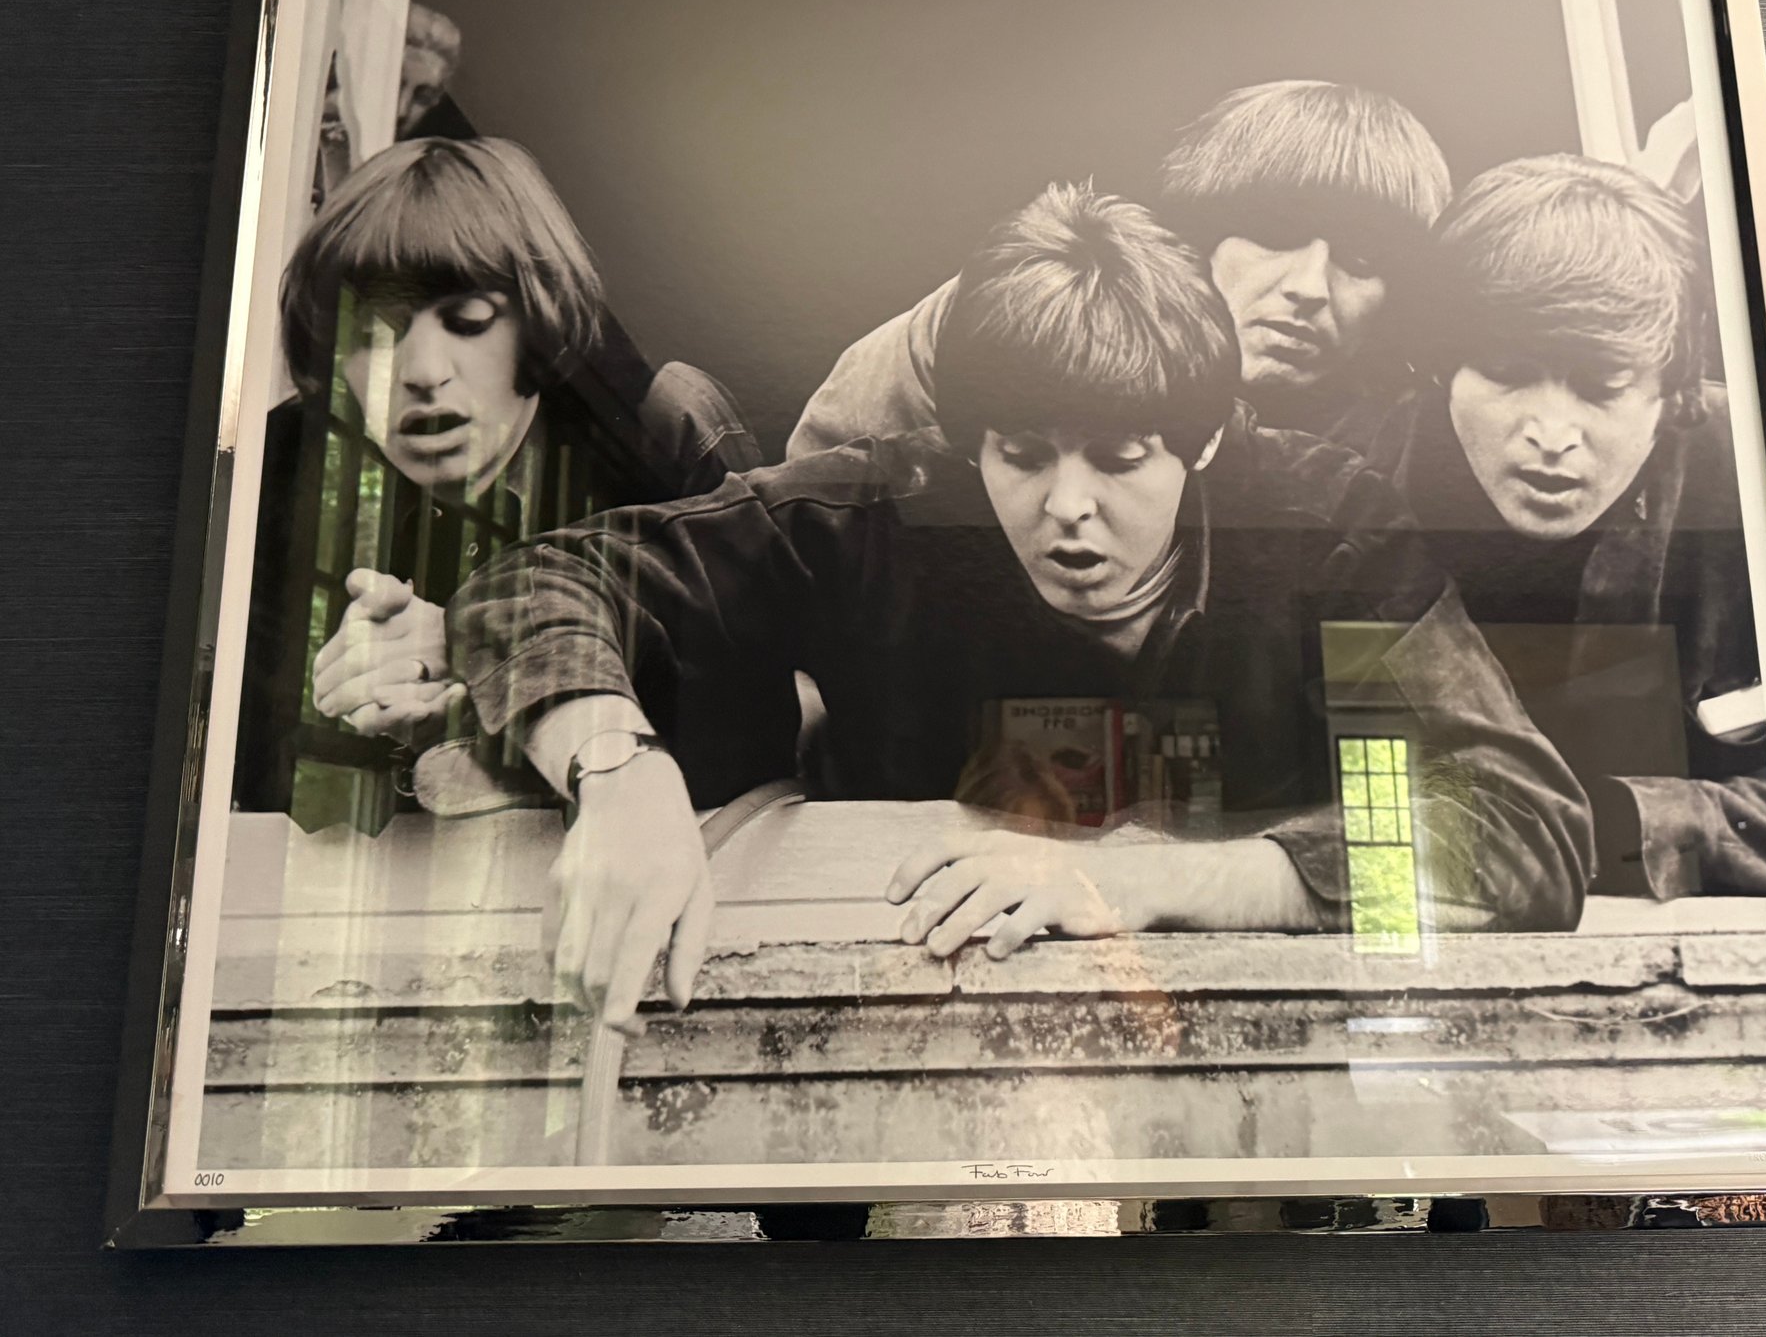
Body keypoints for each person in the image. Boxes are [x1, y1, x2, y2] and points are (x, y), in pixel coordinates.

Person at [441, 184, 1593, 1032]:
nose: (1066, 507)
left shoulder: (1323, 529)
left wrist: (1147, 881)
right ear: (966, 443)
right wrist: (617, 772)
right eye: (1022, 454)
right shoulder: (877, 511)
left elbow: (1522, 831)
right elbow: (538, 582)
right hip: (897, 1002)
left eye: (1120, 457)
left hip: (1258, 1034)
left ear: (1201, 442)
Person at [234, 136, 765, 830]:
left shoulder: (664, 434)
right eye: (375, 332)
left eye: (468, 322)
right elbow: (250, 782)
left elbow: (771, 739)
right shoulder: (284, 466)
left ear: (538, 322)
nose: (423, 372)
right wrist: (355, 715)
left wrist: (486, 666)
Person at [1382, 153, 1766, 898]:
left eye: (1601, 385)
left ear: (1673, 393)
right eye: (1507, 373)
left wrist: (1636, 825)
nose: (1552, 434)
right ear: (1441, 371)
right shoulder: (1348, 486)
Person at [785, 80, 1450, 459]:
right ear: (1201, 237)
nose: (1308, 287)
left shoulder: (1414, 431)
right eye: (1276, 235)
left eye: (1361, 259)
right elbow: (830, 492)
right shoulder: (1027, 308)